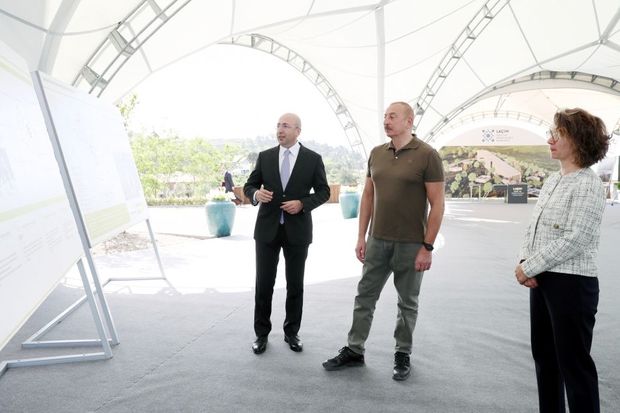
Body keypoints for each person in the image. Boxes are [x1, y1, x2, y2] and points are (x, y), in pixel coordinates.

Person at [322, 102, 445, 381]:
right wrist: (361, 236)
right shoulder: (377, 153)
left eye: (393, 116)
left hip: (412, 244)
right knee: (364, 296)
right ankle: (354, 349)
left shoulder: (427, 155)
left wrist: (427, 247)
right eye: (385, 116)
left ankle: (402, 353)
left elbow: (437, 204)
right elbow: (368, 195)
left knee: (407, 303)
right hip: (377, 241)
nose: (386, 121)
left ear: (409, 121)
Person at [514, 108, 609, 413]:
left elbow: (577, 238)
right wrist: (526, 259)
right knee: (545, 359)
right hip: (544, 279)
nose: (550, 140)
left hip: (572, 284)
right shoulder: (554, 180)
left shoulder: (588, 184)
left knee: (574, 365)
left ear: (579, 140)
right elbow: (534, 227)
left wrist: (529, 266)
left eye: (559, 134)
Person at [243, 112, 330, 355]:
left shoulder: (313, 159)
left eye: (286, 126)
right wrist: (256, 194)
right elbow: (249, 186)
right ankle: (261, 334)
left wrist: (303, 204)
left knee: (295, 285)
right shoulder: (265, 156)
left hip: (297, 231)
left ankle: (292, 332)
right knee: (264, 284)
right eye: (278, 125)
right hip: (266, 231)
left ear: (297, 131)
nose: (280, 130)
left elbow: (323, 191)